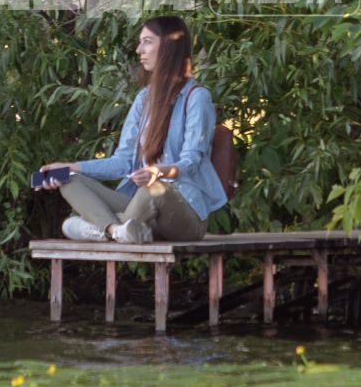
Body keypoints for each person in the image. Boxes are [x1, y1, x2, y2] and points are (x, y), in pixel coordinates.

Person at [36, 14, 225, 243]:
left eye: (147, 41)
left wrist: (159, 172)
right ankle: (116, 230)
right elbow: (123, 162)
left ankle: (98, 228)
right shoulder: (144, 99)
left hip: (184, 215)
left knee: (152, 189)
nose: (138, 50)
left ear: (169, 45)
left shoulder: (197, 98)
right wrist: (70, 166)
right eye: (140, 42)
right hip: (142, 214)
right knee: (69, 180)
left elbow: (191, 161)